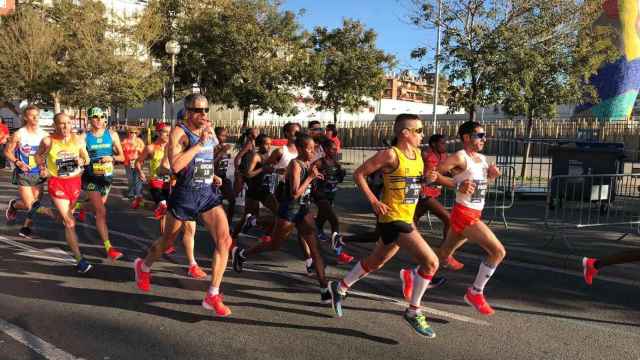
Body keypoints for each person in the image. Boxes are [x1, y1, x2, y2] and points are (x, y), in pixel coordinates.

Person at [328, 114, 440, 338]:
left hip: (406, 217)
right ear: (404, 133)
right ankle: (413, 311)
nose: (422, 134)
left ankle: (339, 287)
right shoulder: (390, 154)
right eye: (418, 130)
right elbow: (360, 173)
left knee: (375, 261)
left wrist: (427, 180)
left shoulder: (418, 155)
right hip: (392, 218)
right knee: (430, 263)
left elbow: (411, 184)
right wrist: (374, 201)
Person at [133, 94, 233, 316]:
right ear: (187, 111)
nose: (204, 114)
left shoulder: (208, 129)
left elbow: (208, 155)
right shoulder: (179, 133)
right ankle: (144, 266)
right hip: (185, 195)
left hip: (206, 193)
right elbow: (176, 166)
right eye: (198, 110)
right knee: (168, 240)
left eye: (206, 110)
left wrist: (212, 173)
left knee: (225, 240)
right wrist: (199, 145)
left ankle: (212, 294)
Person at [232, 133, 331, 303]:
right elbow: (294, 194)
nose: (313, 152)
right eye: (310, 149)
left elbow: (306, 190)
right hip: (290, 210)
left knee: (316, 251)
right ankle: (242, 254)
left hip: (303, 210)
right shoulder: (295, 165)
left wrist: (316, 181)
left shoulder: (309, 163)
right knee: (274, 245)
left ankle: (324, 289)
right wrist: (310, 178)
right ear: (300, 149)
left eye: (314, 149)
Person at [435, 120, 505, 316]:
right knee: (498, 252)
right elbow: (433, 174)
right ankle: (475, 292)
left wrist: (491, 176)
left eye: (484, 135)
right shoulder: (460, 156)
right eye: (480, 135)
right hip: (464, 213)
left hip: (474, 211)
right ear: (466, 137)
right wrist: (457, 185)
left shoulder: (482, 159)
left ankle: (413, 275)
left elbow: (478, 186)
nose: (484, 138)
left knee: (444, 254)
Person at [135, 122, 206, 279]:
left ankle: (192, 264)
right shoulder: (153, 148)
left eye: (169, 132)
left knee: (189, 228)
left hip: (177, 188)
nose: (167, 135)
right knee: (164, 207)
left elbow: (196, 167)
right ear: (158, 133)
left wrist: (211, 176)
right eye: (164, 132)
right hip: (158, 184)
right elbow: (151, 165)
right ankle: (161, 213)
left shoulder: (184, 148)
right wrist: (141, 172)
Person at [35, 113, 92, 273]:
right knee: (69, 222)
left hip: (74, 183)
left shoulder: (78, 140)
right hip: (57, 183)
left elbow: (86, 159)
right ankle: (80, 260)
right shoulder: (48, 141)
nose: (66, 126)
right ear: (55, 125)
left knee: (63, 217)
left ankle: (42, 210)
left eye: (68, 123)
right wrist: (43, 168)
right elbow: (38, 156)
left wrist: (81, 161)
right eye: (61, 123)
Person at [78, 107, 125, 261]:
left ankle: (77, 206)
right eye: (95, 117)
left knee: (97, 207)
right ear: (90, 119)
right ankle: (109, 247)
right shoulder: (84, 137)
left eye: (101, 117)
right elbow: (78, 156)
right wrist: (81, 160)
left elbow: (122, 157)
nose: (98, 120)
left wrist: (111, 158)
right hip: (91, 177)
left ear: (105, 118)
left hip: (106, 177)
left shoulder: (112, 135)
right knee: (101, 212)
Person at [413, 134, 465, 271]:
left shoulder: (444, 157)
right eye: (442, 143)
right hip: (424, 194)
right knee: (448, 219)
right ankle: (445, 254)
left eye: (445, 143)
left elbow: (450, 171)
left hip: (430, 195)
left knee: (411, 223)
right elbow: (432, 176)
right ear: (434, 145)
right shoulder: (427, 156)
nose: (445, 145)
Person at [4, 105, 55, 238]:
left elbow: (48, 155)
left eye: (37, 115)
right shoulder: (19, 134)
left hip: (38, 173)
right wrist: (17, 162)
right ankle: (15, 205)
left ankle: (25, 227)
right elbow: (7, 152)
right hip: (23, 173)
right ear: (26, 117)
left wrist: (46, 168)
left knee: (35, 202)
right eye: (32, 115)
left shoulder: (45, 135)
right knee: (31, 204)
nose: (35, 118)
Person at [312, 137, 354, 264]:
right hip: (320, 196)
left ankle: (310, 240)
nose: (335, 151)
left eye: (336, 149)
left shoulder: (336, 164)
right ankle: (339, 253)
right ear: (325, 149)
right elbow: (310, 176)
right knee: (334, 221)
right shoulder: (319, 163)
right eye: (332, 149)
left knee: (319, 222)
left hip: (330, 196)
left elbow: (337, 181)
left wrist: (341, 174)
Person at [232, 134, 278, 243]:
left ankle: (234, 236)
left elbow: (269, 169)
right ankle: (234, 237)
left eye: (270, 144)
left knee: (248, 216)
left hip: (262, 189)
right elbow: (248, 174)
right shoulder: (255, 156)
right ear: (259, 144)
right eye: (266, 144)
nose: (269, 147)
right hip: (256, 189)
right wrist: (263, 169)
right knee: (278, 212)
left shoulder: (267, 155)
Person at [213, 127, 236, 224]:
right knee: (216, 204)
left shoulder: (225, 147)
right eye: (222, 135)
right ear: (216, 136)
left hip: (223, 177)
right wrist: (222, 152)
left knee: (232, 200)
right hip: (213, 178)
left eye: (226, 135)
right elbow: (210, 163)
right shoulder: (212, 147)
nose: (225, 138)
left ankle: (228, 223)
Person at [122, 126, 145, 207]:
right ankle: (131, 192)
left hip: (137, 162)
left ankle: (138, 194)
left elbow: (144, 152)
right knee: (130, 178)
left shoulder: (140, 141)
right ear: (128, 133)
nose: (133, 134)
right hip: (128, 163)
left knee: (137, 178)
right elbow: (122, 151)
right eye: (131, 132)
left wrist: (139, 150)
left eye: (135, 133)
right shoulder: (125, 141)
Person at [233, 127, 259, 196]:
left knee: (250, 192)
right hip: (243, 171)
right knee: (235, 193)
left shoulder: (253, 143)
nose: (257, 133)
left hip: (248, 170)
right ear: (250, 135)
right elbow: (237, 158)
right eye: (255, 132)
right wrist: (237, 171)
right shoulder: (249, 144)